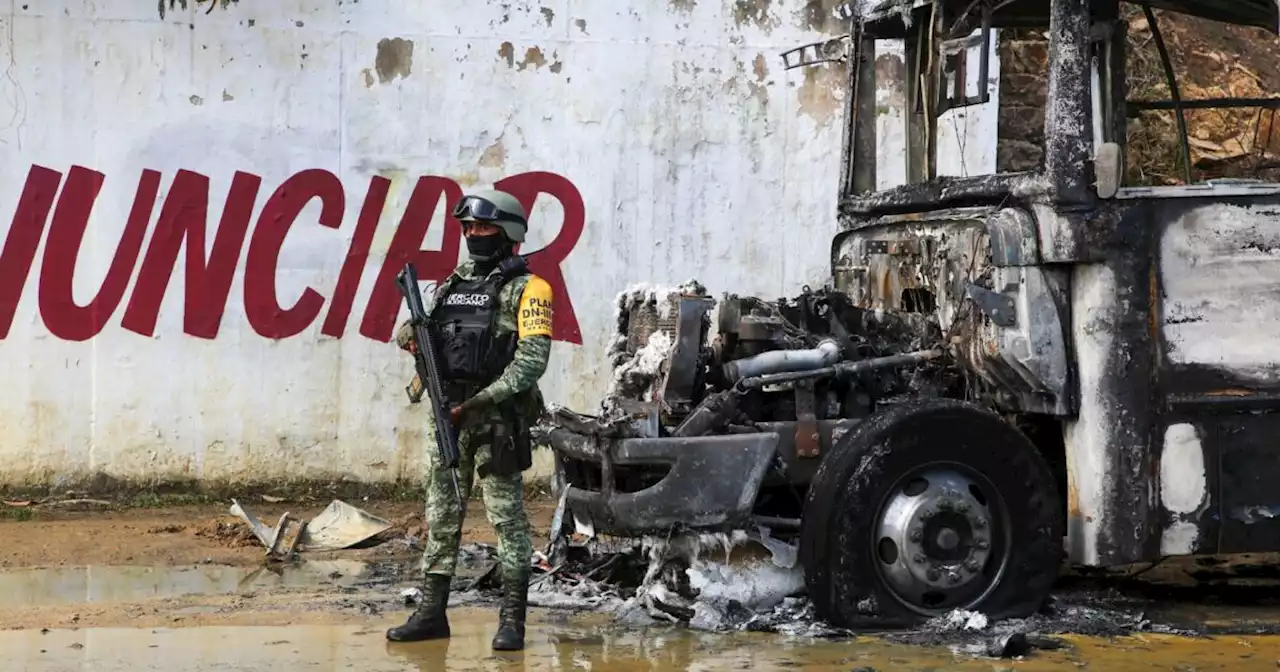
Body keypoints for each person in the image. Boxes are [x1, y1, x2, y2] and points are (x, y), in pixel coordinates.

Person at [386, 188, 554, 651]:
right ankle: (431, 613)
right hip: (449, 415)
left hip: (496, 419)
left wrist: (479, 402)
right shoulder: (452, 285)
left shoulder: (530, 289)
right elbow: (407, 332)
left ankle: (512, 620)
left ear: (508, 233)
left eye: (484, 228)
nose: (474, 235)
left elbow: (530, 364)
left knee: (506, 519)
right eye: (468, 228)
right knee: (442, 514)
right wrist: (415, 336)